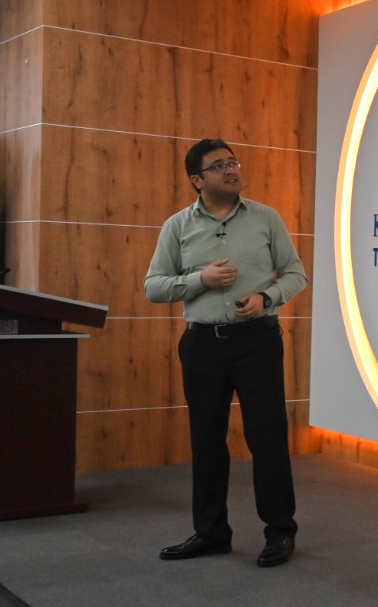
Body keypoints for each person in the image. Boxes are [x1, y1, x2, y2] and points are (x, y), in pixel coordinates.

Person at [144, 139, 308, 568]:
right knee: (207, 441)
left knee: (268, 438)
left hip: (258, 342)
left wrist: (266, 298)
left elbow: (296, 273)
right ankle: (211, 532)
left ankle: (280, 530)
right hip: (202, 345)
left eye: (233, 162)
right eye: (218, 166)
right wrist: (200, 279)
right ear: (197, 180)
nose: (231, 170)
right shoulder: (177, 226)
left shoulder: (266, 218)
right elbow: (153, 286)